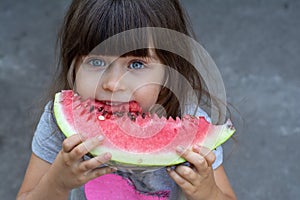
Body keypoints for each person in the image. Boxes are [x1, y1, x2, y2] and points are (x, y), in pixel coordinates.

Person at [17, 0, 236, 199]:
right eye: (96, 62)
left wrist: (206, 193)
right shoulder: (57, 123)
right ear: (72, 65)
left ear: (169, 71)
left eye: (136, 64)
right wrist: (57, 183)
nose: (113, 84)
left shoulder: (190, 119)